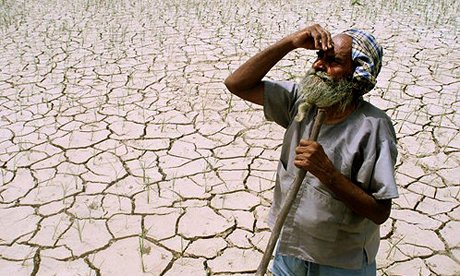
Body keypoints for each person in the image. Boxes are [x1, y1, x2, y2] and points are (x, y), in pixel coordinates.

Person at [224, 24, 399, 275]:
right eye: (319, 57)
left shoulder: (373, 128)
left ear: (357, 74)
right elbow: (236, 83)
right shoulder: (301, 102)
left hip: (338, 262)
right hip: (288, 246)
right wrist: (290, 42)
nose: (318, 66)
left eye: (333, 61)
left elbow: (380, 211)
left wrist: (328, 174)